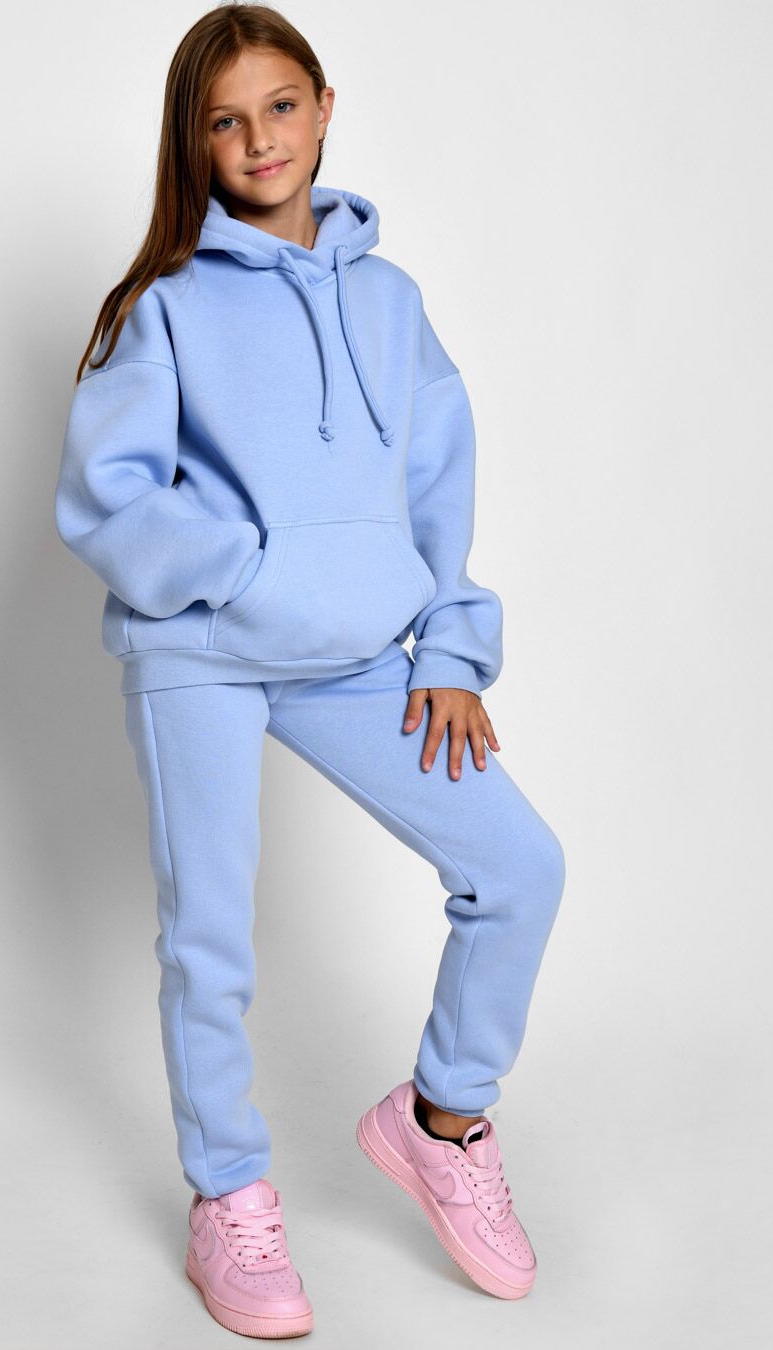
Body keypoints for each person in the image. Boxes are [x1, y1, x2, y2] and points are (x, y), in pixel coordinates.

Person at [54, 4, 566, 1338]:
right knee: (211, 937)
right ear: (196, 143)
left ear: (325, 108)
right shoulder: (164, 305)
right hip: (203, 650)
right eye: (224, 120)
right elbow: (107, 498)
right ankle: (227, 1194)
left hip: (357, 659)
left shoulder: (390, 304)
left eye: (280, 106)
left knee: (518, 867)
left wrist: (449, 648)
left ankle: (441, 1122)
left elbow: (441, 488)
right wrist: (249, 570)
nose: (258, 138)